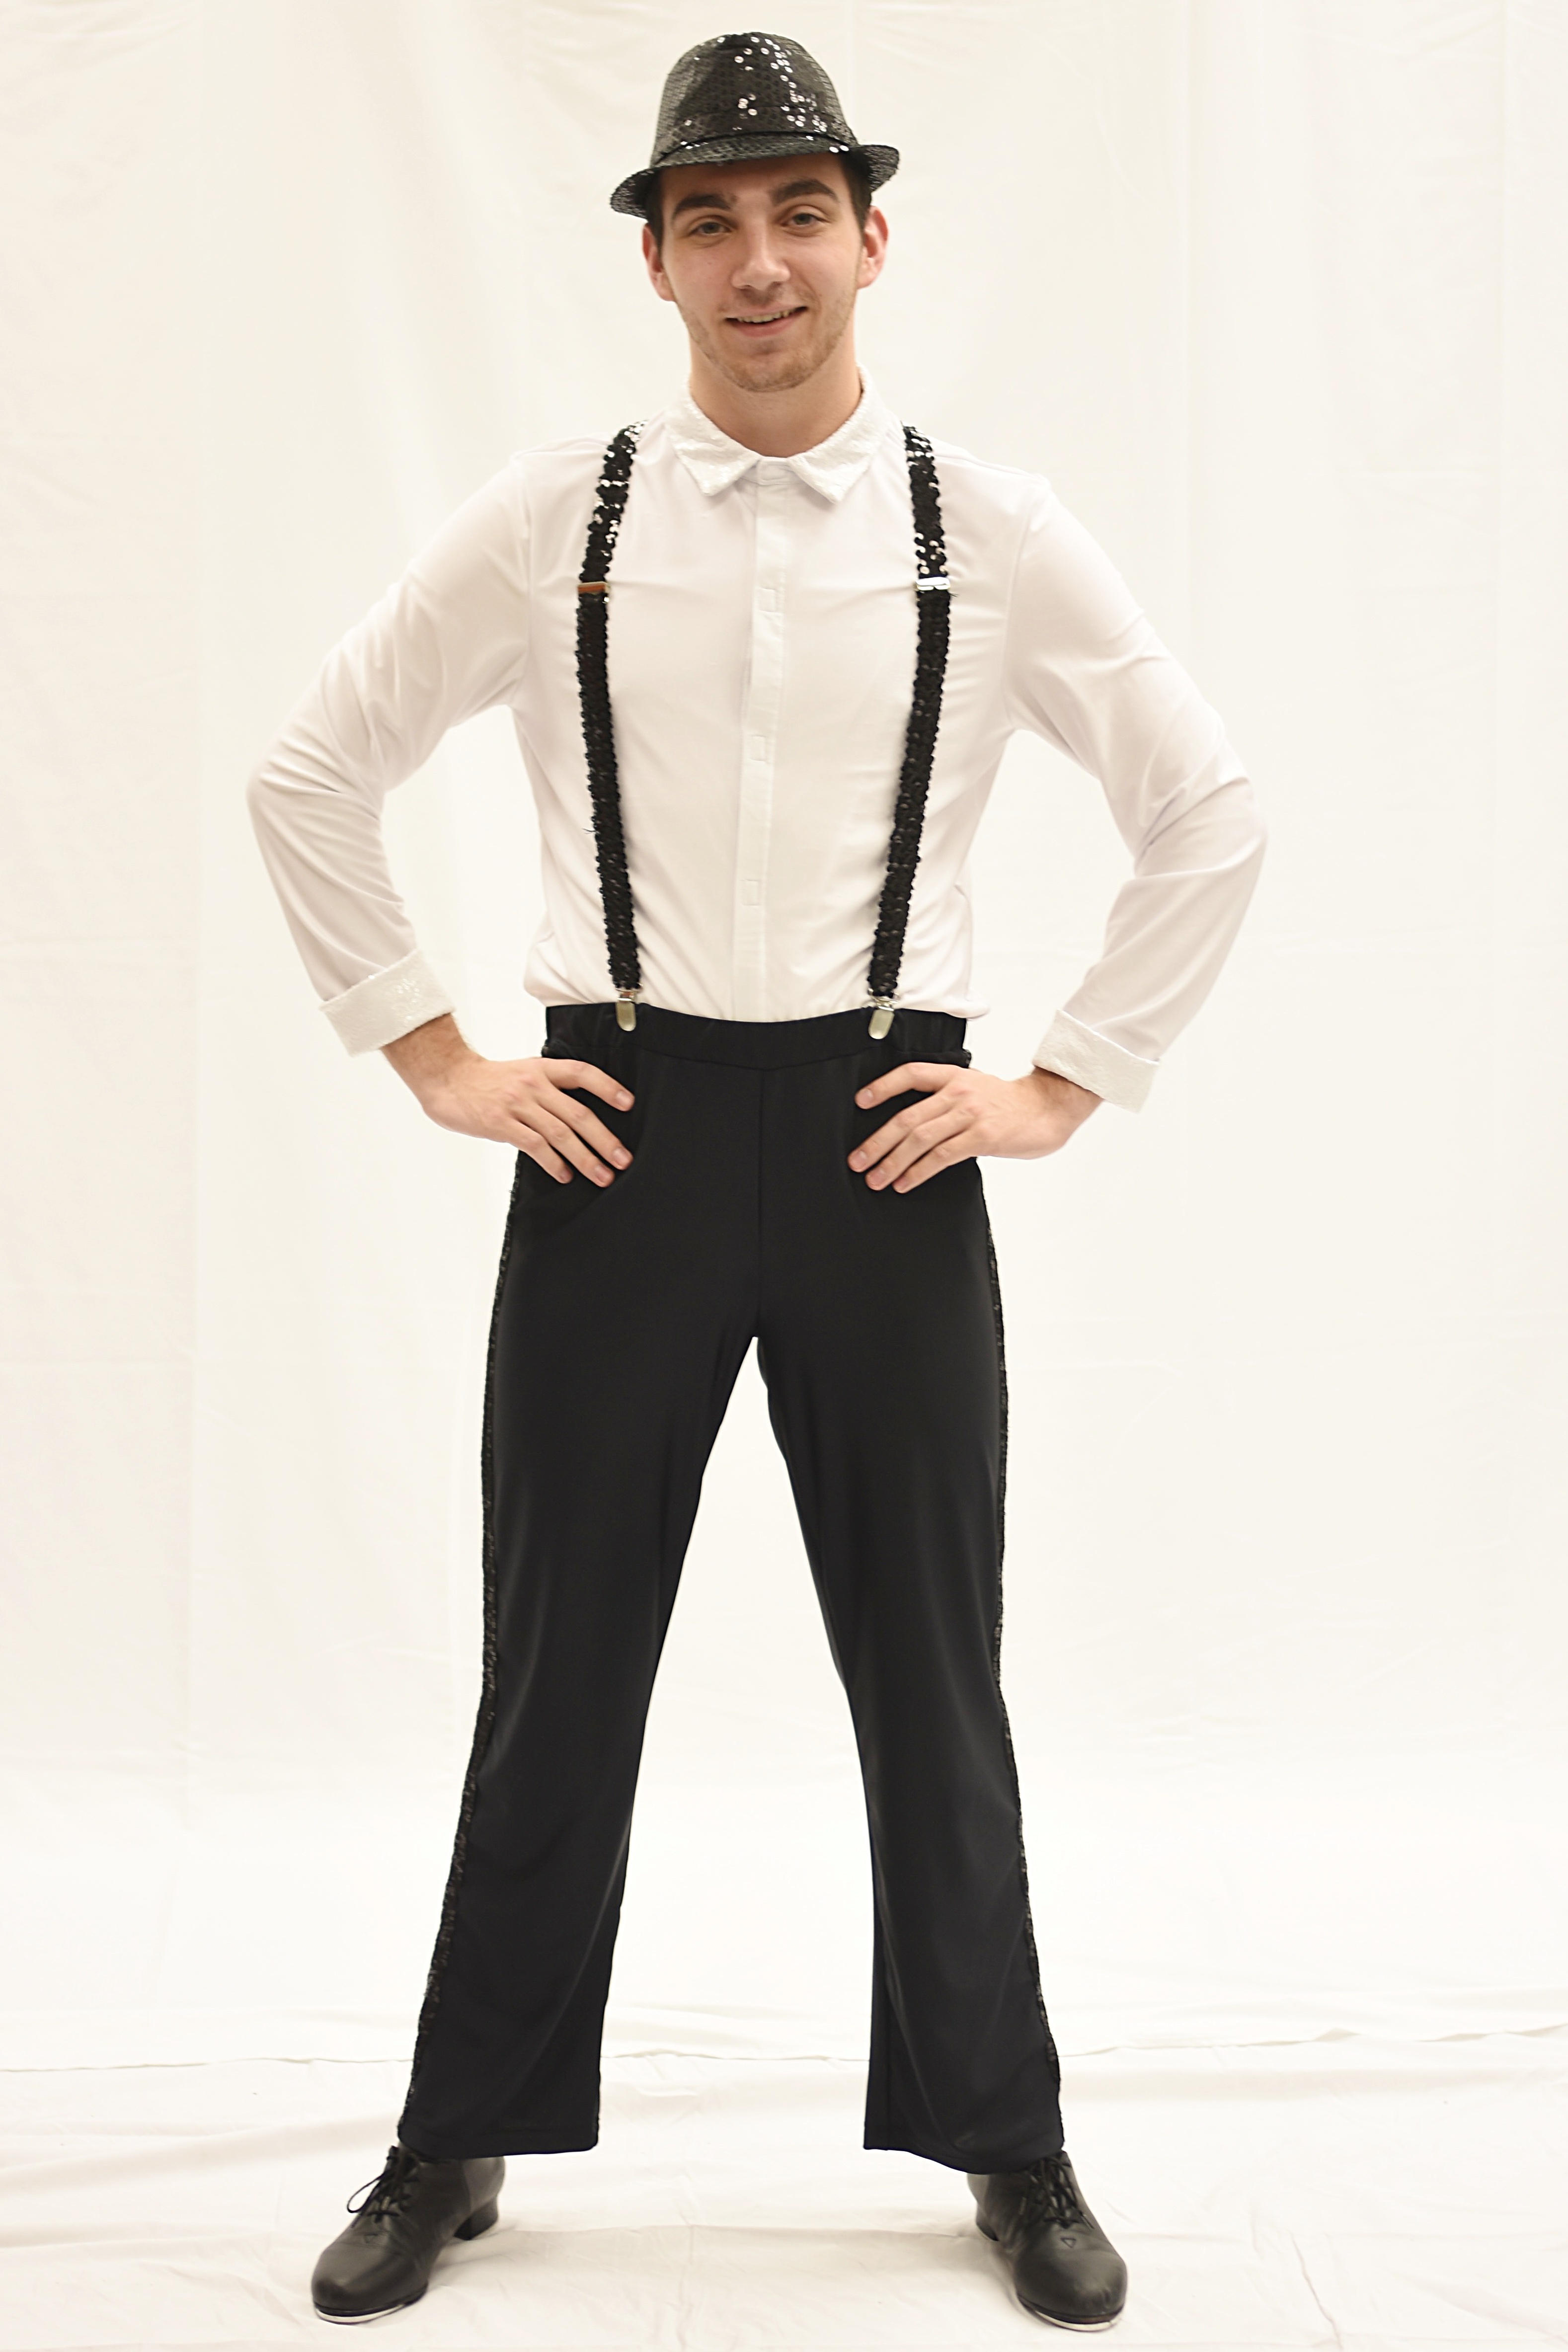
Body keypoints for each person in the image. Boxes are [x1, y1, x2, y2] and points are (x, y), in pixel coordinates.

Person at [248, 30, 1265, 2332]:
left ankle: (1008, 2137)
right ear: (657, 261)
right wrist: (432, 1049)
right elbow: (311, 766)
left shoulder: (989, 527)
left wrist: (1066, 1079)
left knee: (935, 1671)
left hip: (887, 1134)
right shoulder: (561, 515)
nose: (761, 260)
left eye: (800, 212)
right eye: (710, 220)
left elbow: (1207, 805)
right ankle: (456, 2127)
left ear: (871, 237)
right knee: (557, 1662)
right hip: (615, 1131)